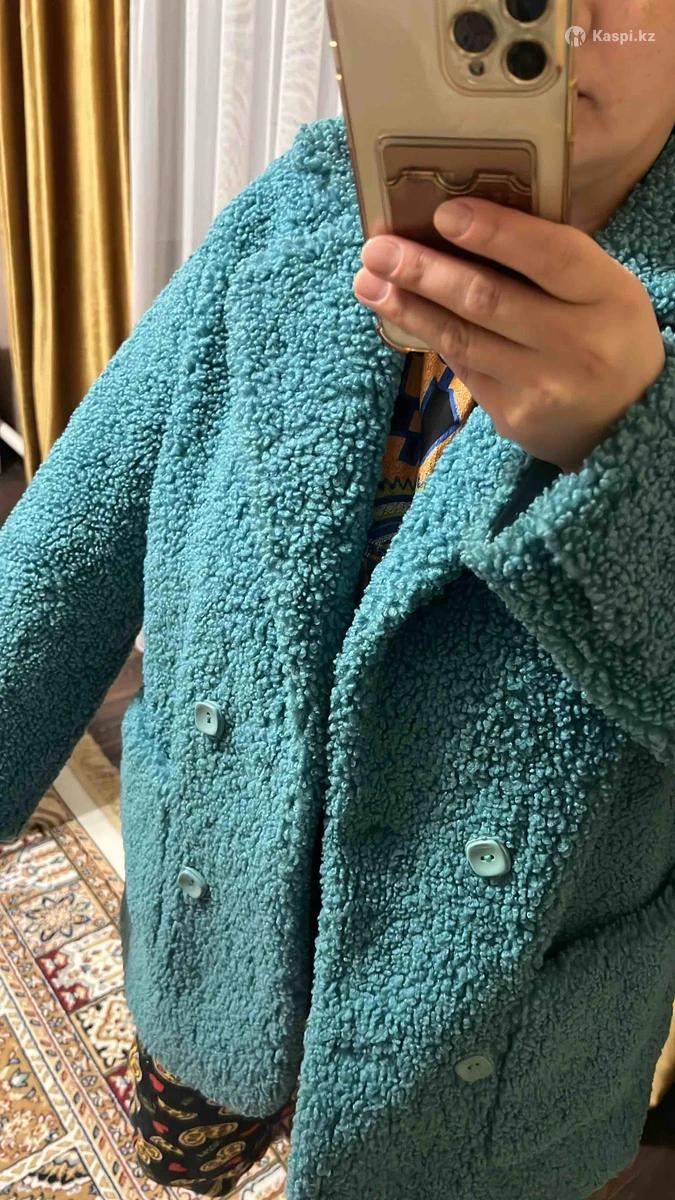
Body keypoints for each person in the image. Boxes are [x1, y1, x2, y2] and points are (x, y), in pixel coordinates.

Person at [1, 2, 674, 1198]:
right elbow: (65, 548)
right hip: (216, 917)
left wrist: (629, 461)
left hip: (486, 1048)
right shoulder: (293, 211)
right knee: (187, 1155)